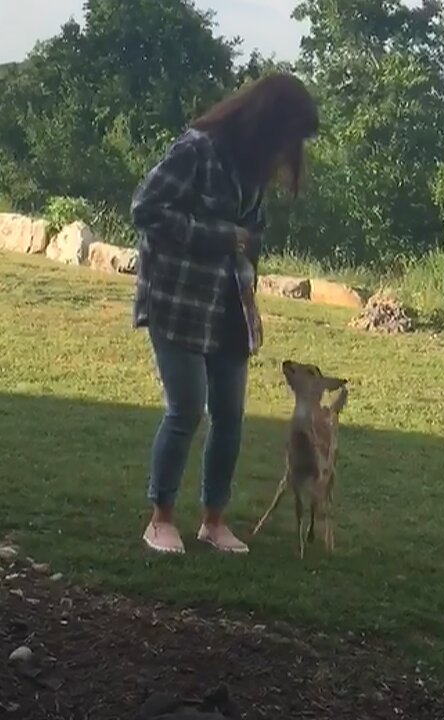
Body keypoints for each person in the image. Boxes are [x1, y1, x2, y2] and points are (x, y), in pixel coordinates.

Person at [131, 73, 319, 555]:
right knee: (187, 408)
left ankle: (214, 521)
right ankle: (161, 519)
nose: (288, 152)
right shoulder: (196, 149)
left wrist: (249, 285)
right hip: (177, 298)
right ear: (266, 123)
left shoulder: (251, 169)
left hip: (229, 305)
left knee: (230, 415)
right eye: (288, 137)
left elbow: (251, 236)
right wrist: (221, 236)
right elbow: (146, 208)